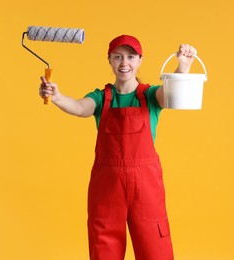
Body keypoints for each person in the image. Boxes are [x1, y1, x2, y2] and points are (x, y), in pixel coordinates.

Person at [39, 35, 197, 260]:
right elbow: (79, 107)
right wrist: (57, 96)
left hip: (146, 188)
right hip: (107, 188)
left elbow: (170, 95)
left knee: (155, 247)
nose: (125, 63)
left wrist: (183, 67)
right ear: (110, 60)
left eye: (131, 57)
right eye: (118, 57)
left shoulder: (150, 95)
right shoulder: (101, 98)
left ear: (140, 60)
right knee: (104, 249)